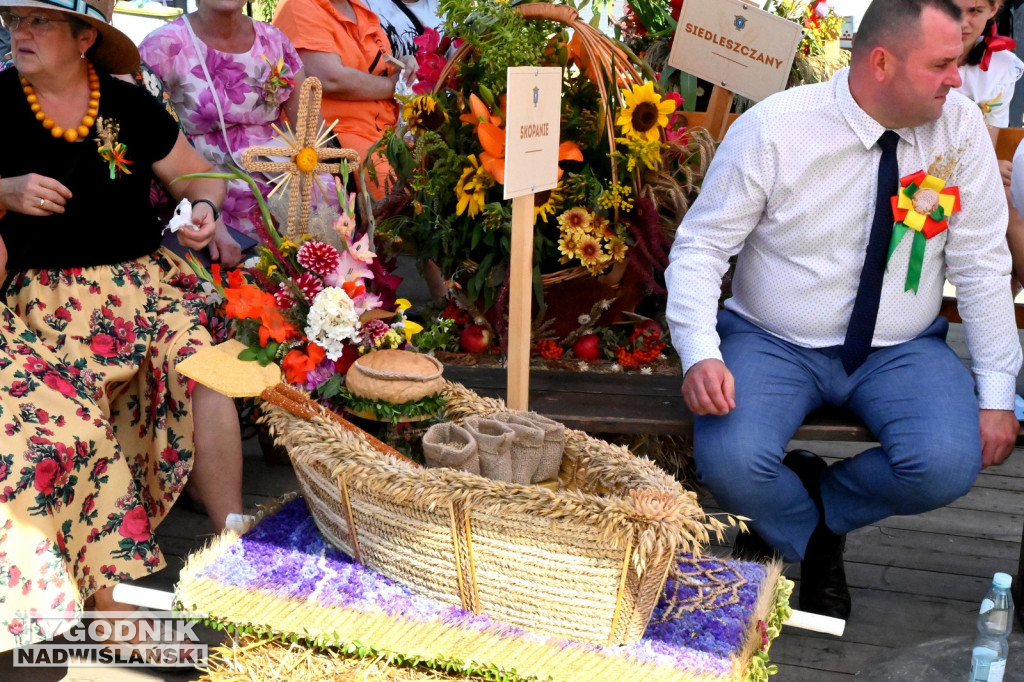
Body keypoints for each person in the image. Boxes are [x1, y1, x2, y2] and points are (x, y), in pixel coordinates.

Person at [665, 0, 1021, 620]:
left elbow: (983, 266)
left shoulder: (957, 127)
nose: (957, 78)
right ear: (881, 62)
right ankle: (815, 541)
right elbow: (700, 249)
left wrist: (996, 393)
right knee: (729, 461)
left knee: (947, 462)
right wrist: (700, 350)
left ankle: (810, 519)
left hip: (901, 349)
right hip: (772, 338)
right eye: (941, 63)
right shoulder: (776, 128)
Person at [0, 0, 245, 631]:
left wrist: (203, 214)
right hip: (43, 302)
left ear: (85, 37)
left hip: (145, 286)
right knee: (71, 414)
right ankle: (109, 592)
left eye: (38, 22)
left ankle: (235, 545)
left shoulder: (128, 104)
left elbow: (200, 177)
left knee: (207, 367)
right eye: (13, 21)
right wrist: (1, 190)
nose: (19, 33)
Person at [139, 0, 337, 256]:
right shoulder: (162, 46)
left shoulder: (275, 40)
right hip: (203, 182)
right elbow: (147, 139)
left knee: (329, 200)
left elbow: (310, 129)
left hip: (278, 176)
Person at [272, 0, 416, 200]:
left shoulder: (358, 6)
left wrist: (404, 65)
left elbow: (381, 67)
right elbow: (331, 79)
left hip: (388, 130)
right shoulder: (298, 6)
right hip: (339, 137)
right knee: (401, 199)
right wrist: (395, 87)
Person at [952, 0, 1022, 134]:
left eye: (975, 11)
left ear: (993, 9)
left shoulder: (1000, 68)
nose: (962, 23)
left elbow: (990, 140)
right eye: (952, 9)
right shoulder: (908, 56)